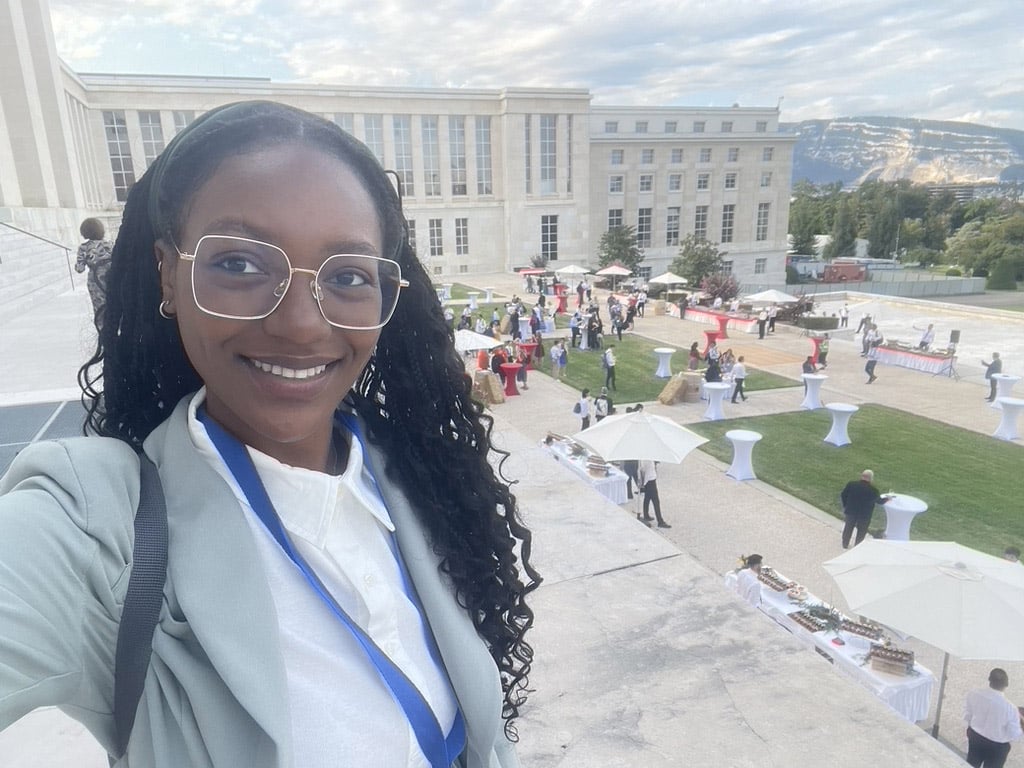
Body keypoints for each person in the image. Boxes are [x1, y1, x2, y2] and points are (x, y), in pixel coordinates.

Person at [0, 101, 538, 767]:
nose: (302, 325)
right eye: (239, 264)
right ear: (169, 272)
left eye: (346, 276)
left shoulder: (409, 481)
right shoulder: (93, 529)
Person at [964, 668, 1023, 768]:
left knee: (971, 764)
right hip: (997, 746)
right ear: (1006, 684)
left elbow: (968, 714)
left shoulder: (973, 693)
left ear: (989, 680)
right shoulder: (1010, 708)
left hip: (975, 737)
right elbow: (1013, 734)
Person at [74, 217, 114, 333]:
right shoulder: (110, 244)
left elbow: (80, 269)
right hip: (111, 278)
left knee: (100, 309)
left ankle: (104, 335)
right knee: (115, 304)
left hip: (95, 282)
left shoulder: (83, 248)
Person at [840, 469, 891, 548]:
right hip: (864, 515)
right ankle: (857, 546)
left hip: (851, 511)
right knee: (861, 531)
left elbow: (843, 495)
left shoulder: (851, 484)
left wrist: (845, 505)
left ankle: (845, 543)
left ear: (862, 476)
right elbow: (879, 501)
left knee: (848, 528)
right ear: (871, 478)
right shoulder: (873, 491)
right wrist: (887, 499)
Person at [637, 460, 670, 528]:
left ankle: (646, 514)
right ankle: (660, 521)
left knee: (647, 498)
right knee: (656, 501)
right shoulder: (648, 460)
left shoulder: (645, 459)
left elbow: (642, 469)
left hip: (648, 480)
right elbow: (643, 469)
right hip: (650, 480)